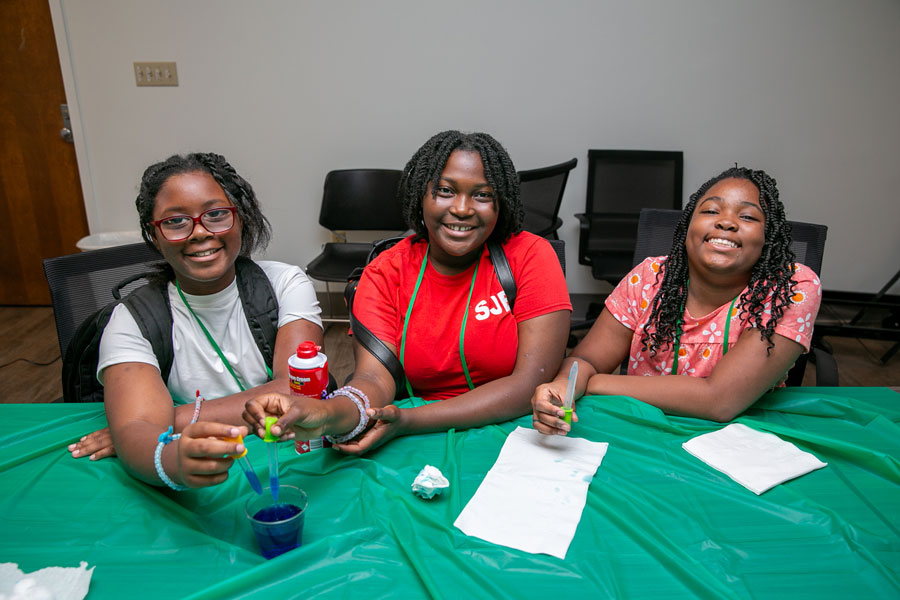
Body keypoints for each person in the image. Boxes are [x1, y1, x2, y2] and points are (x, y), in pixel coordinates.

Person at [244, 131, 572, 454]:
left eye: (482, 195)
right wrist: (327, 415)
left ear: (502, 204)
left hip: (513, 433)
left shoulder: (530, 256)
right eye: (444, 191)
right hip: (412, 441)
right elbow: (373, 380)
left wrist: (410, 420)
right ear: (421, 196)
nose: (462, 208)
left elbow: (528, 382)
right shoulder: (385, 273)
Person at [68, 152, 323, 490]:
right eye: (175, 222)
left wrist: (161, 422)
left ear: (240, 218)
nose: (200, 232)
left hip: (289, 460)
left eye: (216, 215)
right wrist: (173, 460)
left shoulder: (285, 283)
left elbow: (296, 391)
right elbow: (140, 439)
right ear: (153, 235)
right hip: (195, 472)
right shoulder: (130, 320)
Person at [532, 166, 822, 433]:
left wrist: (591, 383)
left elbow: (719, 401)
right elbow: (586, 359)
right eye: (710, 211)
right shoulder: (648, 278)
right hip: (641, 431)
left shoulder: (790, 287)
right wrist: (562, 389)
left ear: (768, 237)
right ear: (687, 229)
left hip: (742, 441)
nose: (726, 223)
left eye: (747, 217)